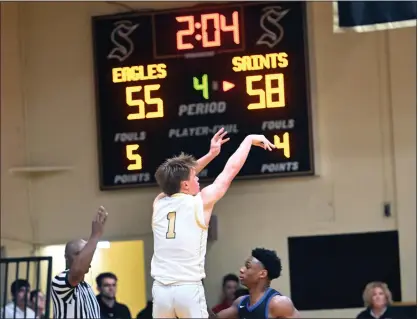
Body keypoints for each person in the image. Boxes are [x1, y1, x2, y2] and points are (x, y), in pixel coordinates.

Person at [151, 128, 276, 319]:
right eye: (194, 177)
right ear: (185, 184)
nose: (198, 177)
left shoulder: (159, 203)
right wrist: (248, 140)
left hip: (160, 292)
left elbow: (174, 181)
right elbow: (229, 171)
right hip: (187, 288)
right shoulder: (200, 202)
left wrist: (210, 155)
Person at [51, 206, 108, 319]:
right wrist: (95, 235)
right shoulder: (59, 281)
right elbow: (77, 271)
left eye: (85, 255)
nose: (83, 259)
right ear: (66, 257)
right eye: (78, 254)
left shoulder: (86, 287)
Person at [216, 248, 300, 319]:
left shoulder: (279, 303)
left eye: (248, 267)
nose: (241, 270)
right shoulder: (240, 302)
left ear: (262, 274)